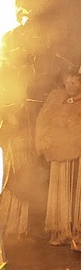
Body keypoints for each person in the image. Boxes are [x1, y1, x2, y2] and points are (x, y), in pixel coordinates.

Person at [35, 69, 81, 250]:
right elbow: (43, 119)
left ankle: (77, 233)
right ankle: (63, 231)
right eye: (68, 82)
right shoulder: (55, 97)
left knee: (77, 194)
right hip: (58, 152)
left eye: (75, 82)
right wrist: (43, 141)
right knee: (61, 192)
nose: (71, 86)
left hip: (77, 154)